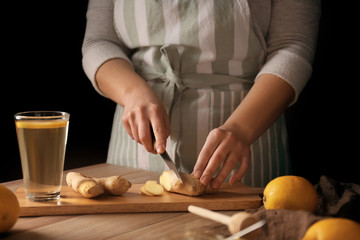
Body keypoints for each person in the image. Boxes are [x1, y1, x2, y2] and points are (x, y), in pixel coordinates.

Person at [82, 0, 321, 188]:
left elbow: (292, 45)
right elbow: (98, 41)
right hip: (135, 152)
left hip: (248, 148)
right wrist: (132, 92)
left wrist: (241, 129)